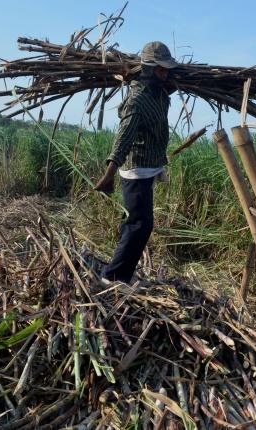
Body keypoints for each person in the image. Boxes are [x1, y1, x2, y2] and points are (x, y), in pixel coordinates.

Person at [94, 41, 177, 284]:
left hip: (149, 166)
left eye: (167, 69)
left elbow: (166, 90)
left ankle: (121, 275)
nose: (165, 73)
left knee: (138, 223)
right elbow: (123, 139)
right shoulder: (137, 100)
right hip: (136, 169)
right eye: (160, 69)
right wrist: (108, 174)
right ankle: (113, 278)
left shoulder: (159, 90)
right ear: (148, 69)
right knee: (139, 224)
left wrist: (171, 84)